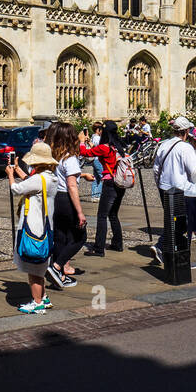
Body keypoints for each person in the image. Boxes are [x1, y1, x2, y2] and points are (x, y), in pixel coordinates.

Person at [8, 140, 60, 314]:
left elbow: (16, 189)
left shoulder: (39, 179)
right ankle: (43, 298)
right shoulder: (50, 178)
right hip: (46, 227)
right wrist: (17, 169)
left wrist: (9, 174)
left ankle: (37, 302)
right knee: (41, 266)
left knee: (34, 270)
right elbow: (30, 181)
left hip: (34, 227)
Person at [152, 117, 196, 267]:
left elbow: (155, 169)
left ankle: (166, 251)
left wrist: (160, 184)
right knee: (184, 224)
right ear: (186, 131)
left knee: (172, 222)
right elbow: (193, 171)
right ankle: (176, 257)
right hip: (182, 191)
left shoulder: (164, 145)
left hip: (165, 189)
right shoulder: (186, 148)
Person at [48, 123, 89, 288]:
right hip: (66, 199)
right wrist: (80, 212)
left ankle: (61, 276)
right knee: (80, 237)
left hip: (54, 198)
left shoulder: (53, 156)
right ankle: (57, 267)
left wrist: (84, 174)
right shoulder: (69, 158)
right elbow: (71, 185)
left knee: (60, 237)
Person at [82, 120, 126, 256]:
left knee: (102, 216)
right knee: (113, 214)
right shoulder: (118, 147)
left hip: (109, 183)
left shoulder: (104, 147)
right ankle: (118, 243)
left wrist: (81, 141)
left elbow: (85, 153)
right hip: (120, 183)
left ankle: (99, 248)